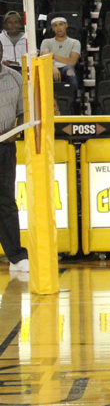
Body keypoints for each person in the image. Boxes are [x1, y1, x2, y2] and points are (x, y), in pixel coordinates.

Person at [0, 63, 27, 272]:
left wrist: (15, 132)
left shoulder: (15, 77)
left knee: (6, 200)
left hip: (5, 146)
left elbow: (23, 113)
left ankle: (16, 256)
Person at [39, 17, 80, 89]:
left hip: (66, 68)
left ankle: (74, 96)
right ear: (52, 28)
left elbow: (72, 62)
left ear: (66, 25)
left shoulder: (75, 42)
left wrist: (53, 56)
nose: (58, 28)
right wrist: (52, 67)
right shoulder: (46, 42)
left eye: (61, 24)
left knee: (70, 71)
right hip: (50, 67)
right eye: (55, 25)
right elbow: (45, 59)